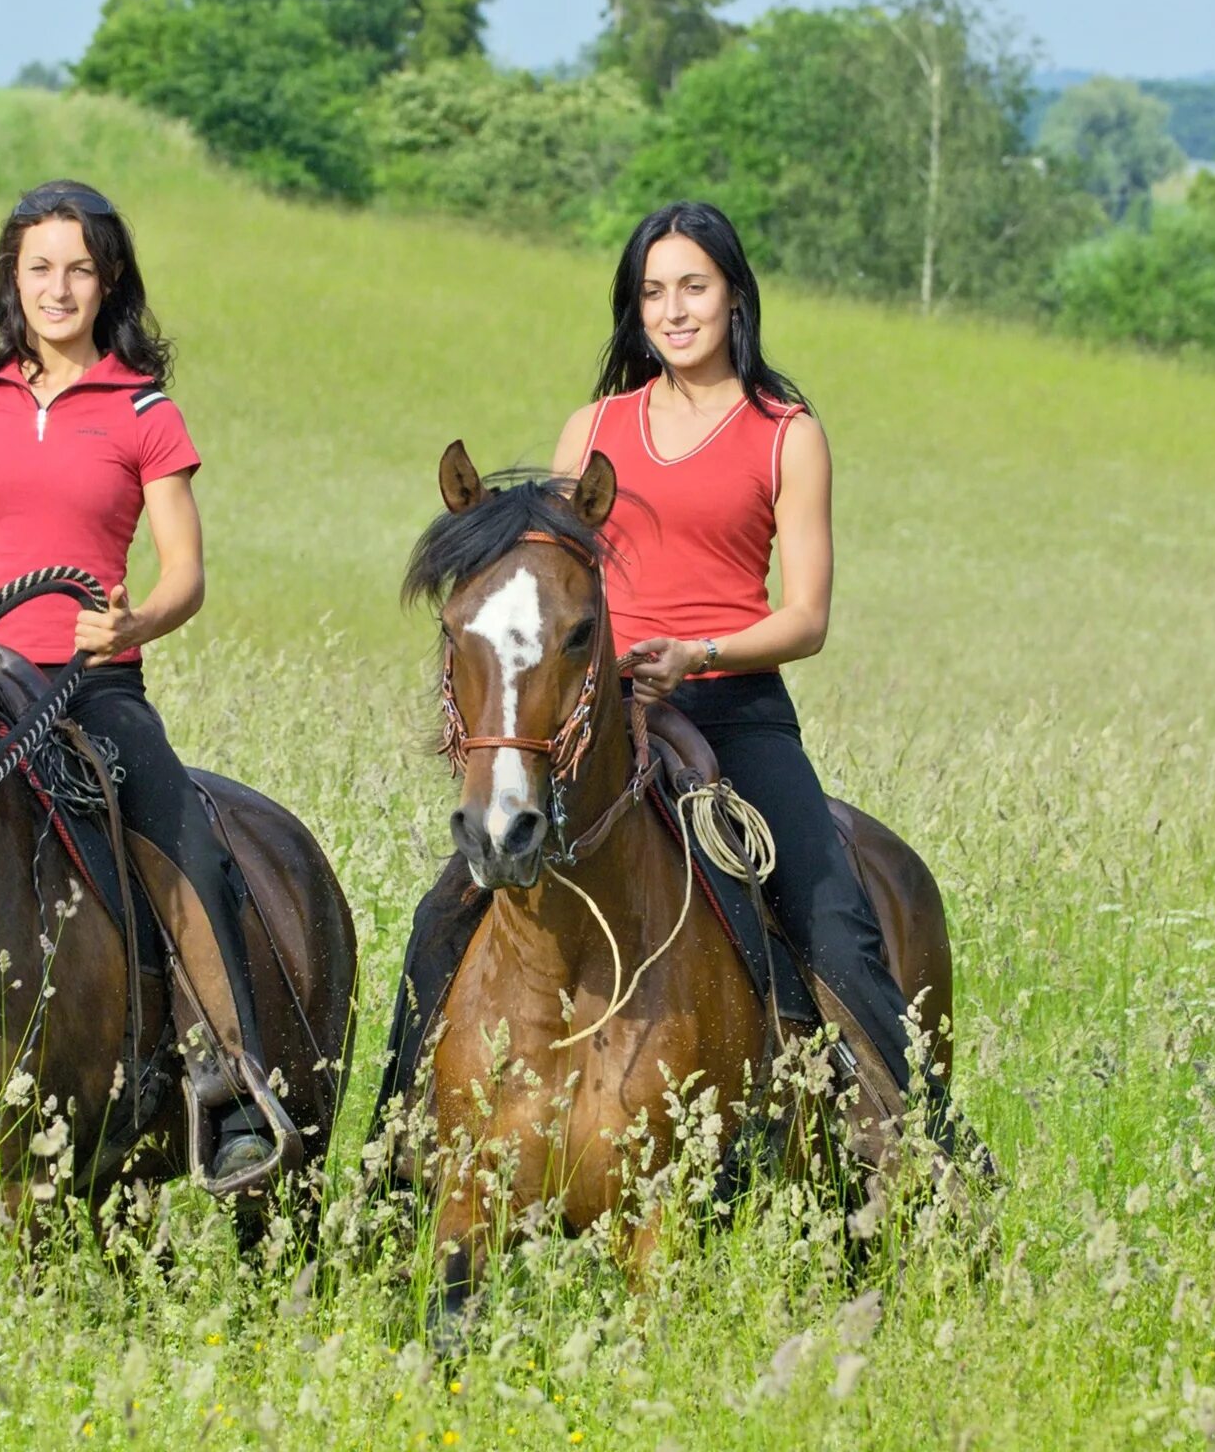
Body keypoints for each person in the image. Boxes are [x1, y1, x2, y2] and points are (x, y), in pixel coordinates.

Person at [377, 201, 934, 1141]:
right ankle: (399, 1147)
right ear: (634, 313)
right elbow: (552, 580)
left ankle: (911, 1145)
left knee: (832, 919)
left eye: (693, 287)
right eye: (652, 293)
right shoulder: (595, 424)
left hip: (733, 710)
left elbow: (806, 618)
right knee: (448, 913)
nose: (674, 310)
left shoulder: (785, 432)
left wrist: (700, 653)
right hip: (601, 711)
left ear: (733, 296)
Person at [0, 178, 278, 1189]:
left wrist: (133, 621)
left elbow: (186, 574)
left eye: (78, 268)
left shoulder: (142, 410)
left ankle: (230, 1082)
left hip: (91, 683)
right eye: (39, 267)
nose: (58, 286)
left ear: (108, 278)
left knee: (185, 836)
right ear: (12, 280)